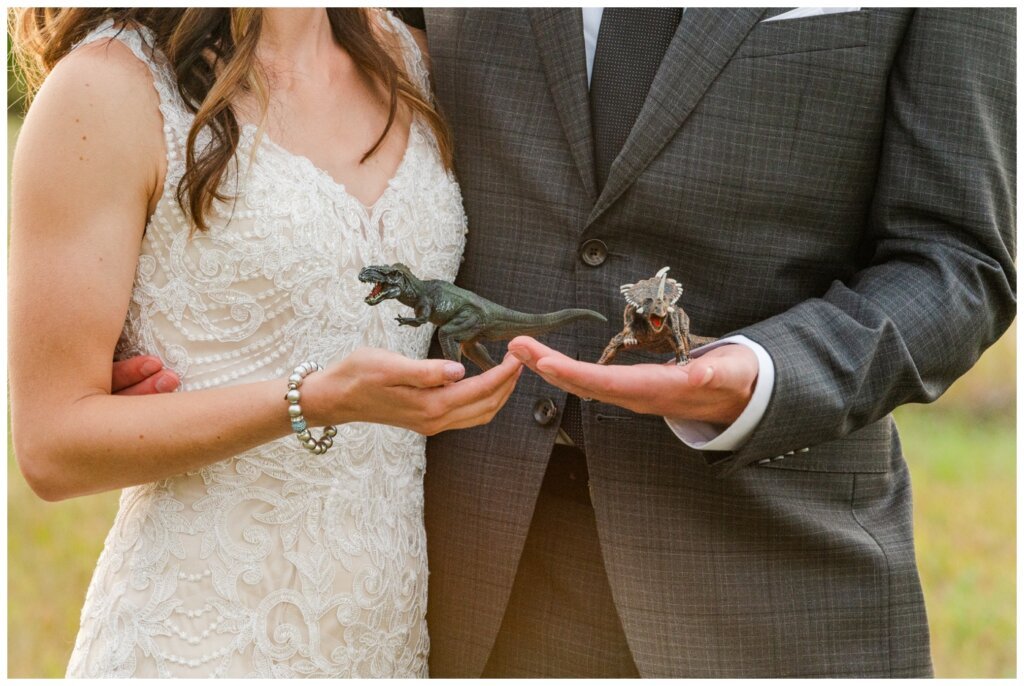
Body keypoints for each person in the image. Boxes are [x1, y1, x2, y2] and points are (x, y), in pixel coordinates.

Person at [105, 7, 1016, 678]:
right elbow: (312, 72)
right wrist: (158, 297)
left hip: (769, 578)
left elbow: (955, 260)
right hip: (457, 587)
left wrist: (770, 375)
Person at [8, 8, 522, 678]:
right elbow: (52, 444)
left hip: (383, 638)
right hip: (200, 638)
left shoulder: (413, 59)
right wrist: (310, 400)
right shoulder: (104, 91)